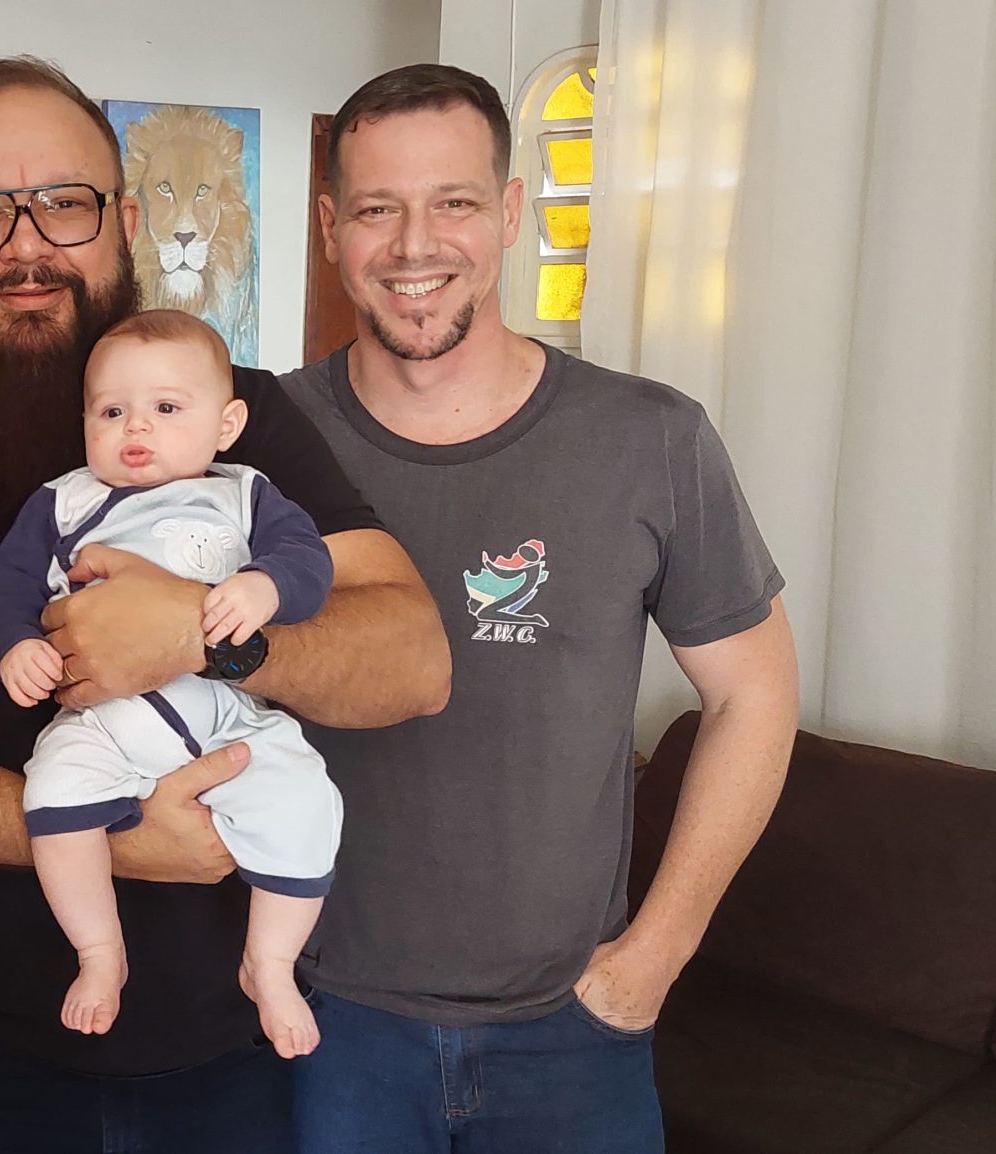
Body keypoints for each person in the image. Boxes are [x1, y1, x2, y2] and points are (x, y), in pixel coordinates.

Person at [0, 56, 447, 1154]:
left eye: (65, 203)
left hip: (233, 1055)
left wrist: (199, 635)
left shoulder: (237, 420)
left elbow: (414, 660)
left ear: (125, 225)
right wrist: (109, 836)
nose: (25, 243)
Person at [277, 64, 802, 1152]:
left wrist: (654, 955)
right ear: (330, 228)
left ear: (510, 211)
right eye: (376, 209)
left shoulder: (649, 438)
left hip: (575, 1032)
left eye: (454, 202)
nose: (415, 246)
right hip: (318, 1020)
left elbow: (753, 695)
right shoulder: (262, 440)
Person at [0, 309, 343, 1059]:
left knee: (306, 797)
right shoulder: (63, 502)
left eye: (168, 408)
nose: (135, 427)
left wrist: (267, 586)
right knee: (53, 792)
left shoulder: (245, 495)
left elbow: (309, 561)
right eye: (111, 412)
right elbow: (9, 586)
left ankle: (270, 963)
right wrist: (15, 645)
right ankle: (99, 951)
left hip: (229, 718)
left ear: (226, 424)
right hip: (106, 720)